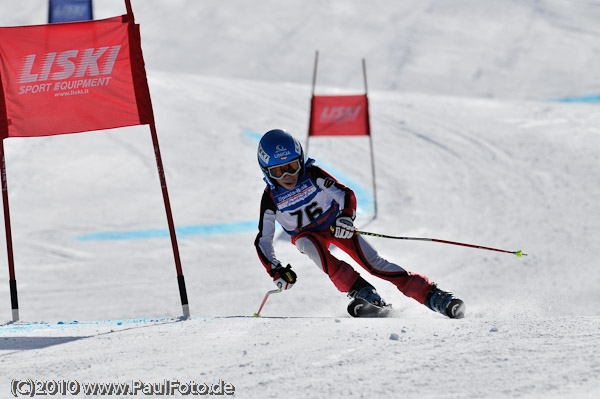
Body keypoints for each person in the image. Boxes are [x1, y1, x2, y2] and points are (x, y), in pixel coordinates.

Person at [254, 129, 465, 318]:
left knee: (374, 263)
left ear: (301, 160)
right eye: (279, 171)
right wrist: (276, 270)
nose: (289, 175)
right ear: (267, 172)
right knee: (311, 246)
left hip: (335, 224)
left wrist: (346, 216)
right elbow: (263, 240)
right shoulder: (271, 199)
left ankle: (433, 296)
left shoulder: (312, 174)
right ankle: (363, 292)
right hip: (305, 235)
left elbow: (346, 194)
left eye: (292, 166)